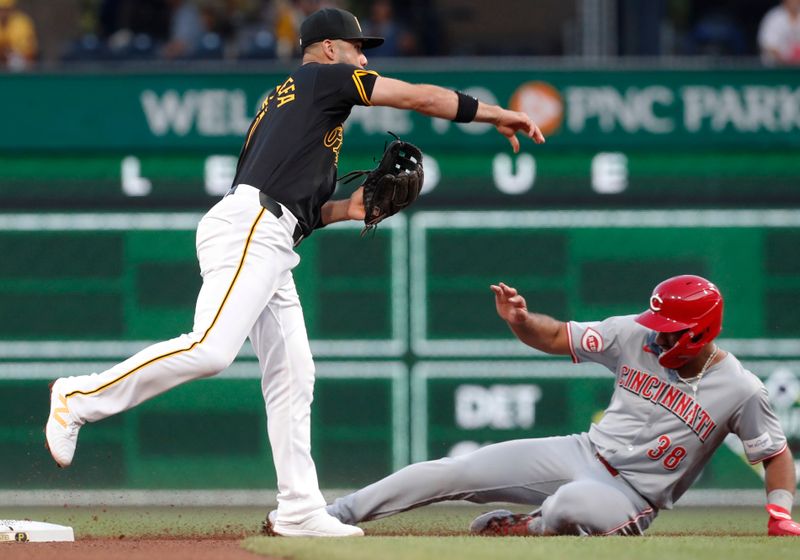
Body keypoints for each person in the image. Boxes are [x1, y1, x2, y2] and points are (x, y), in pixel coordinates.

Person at [45, 6, 544, 539]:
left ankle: (299, 508)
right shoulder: (322, 78)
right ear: (329, 48)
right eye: (358, 48)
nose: (364, 56)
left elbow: (294, 207)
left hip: (270, 232)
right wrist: (494, 113)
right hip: (251, 228)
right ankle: (78, 398)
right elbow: (418, 96)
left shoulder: (300, 112)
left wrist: (344, 210)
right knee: (211, 349)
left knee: (294, 374)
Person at [319, 275, 800, 536]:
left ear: (701, 332)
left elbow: (774, 454)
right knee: (455, 471)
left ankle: (526, 527)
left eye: (669, 327)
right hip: (581, 452)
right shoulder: (634, 333)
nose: (657, 331)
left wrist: (780, 514)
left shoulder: (740, 388)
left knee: (570, 505)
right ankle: (334, 514)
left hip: (631, 498)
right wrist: (522, 321)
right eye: (656, 321)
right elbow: (554, 335)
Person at [758, 0, 800, 65]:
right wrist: (788, 61)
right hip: (776, 69)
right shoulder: (774, 17)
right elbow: (768, 46)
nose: (794, 2)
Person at [0, 0, 38, 71]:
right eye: (1, 9)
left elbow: (30, 53)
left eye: (6, 9)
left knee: (16, 61)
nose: (3, 13)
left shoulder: (22, 23)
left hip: (18, 64)